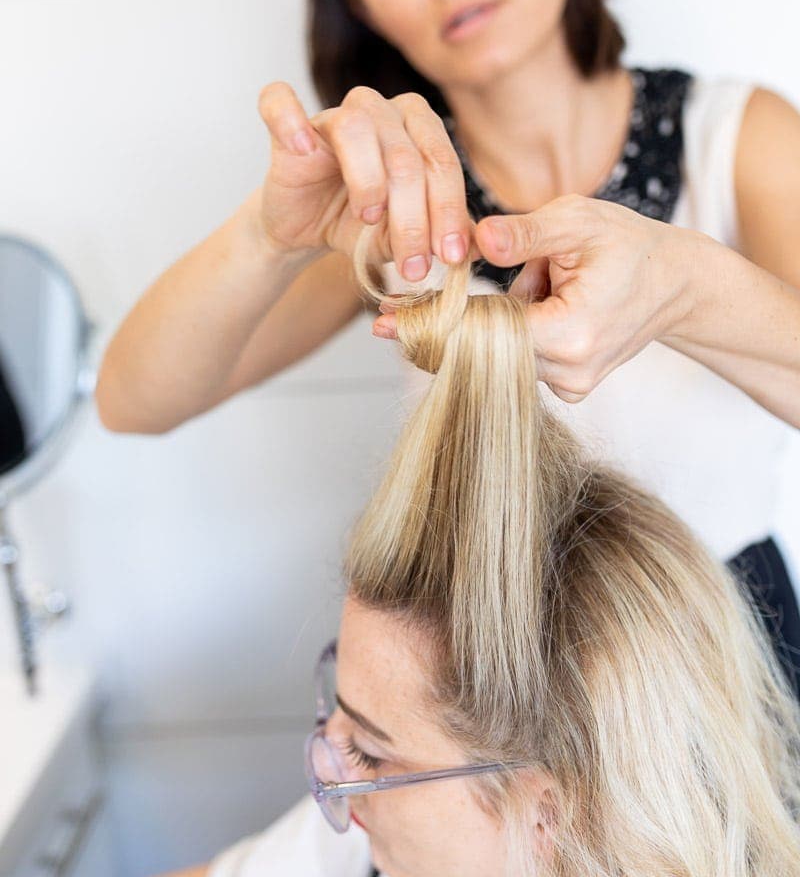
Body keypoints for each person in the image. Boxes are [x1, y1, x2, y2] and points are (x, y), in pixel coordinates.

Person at [96, 0, 800, 662]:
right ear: (364, 9)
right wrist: (269, 236)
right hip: (502, 683)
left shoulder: (736, 136)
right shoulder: (393, 209)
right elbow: (131, 401)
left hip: (734, 658)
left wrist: (682, 287)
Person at [161, 249, 800, 876]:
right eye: (342, 724)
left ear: (548, 816)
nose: (333, 785)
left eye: (369, 753)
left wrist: (679, 281)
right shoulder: (367, 838)